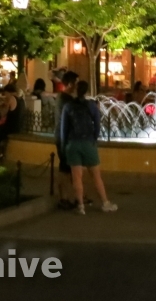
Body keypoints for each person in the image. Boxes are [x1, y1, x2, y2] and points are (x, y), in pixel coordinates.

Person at [59, 80, 117, 215]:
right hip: (88, 143)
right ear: (86, 91)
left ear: (75, 90)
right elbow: (97, 126)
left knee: (77, 177)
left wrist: (64, 147)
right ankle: (105, 203)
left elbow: (64, 130)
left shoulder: (68, 106)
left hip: (73, 144)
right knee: (96, 176)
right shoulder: (91, 106)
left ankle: (80, 206)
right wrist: (93, 140)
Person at [54, 71, 79, 210]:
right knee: (65, 169)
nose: (77, 86)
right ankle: (63, 198)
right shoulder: (66, 100)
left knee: (69, 168)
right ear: (70, 84)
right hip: (64, 139)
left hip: (63, 137)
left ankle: (74, 196)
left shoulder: (62, 98)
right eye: (76, 83)